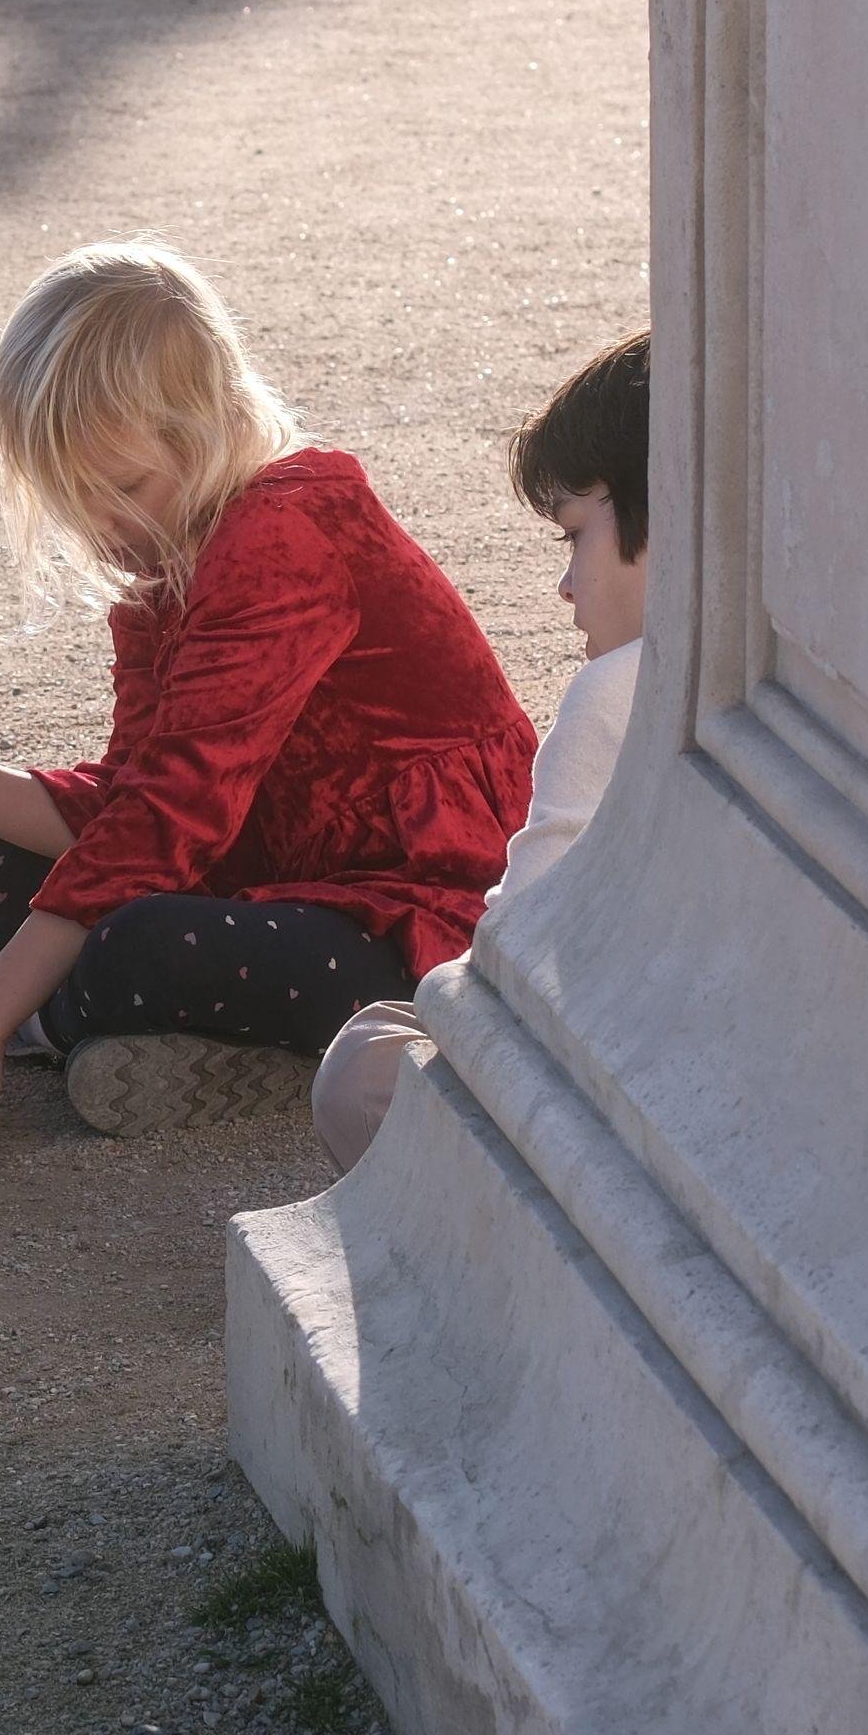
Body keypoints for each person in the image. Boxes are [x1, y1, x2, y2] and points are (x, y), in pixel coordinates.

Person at [0, 241, 536, 1167]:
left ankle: (70, 1018)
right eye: (73, 499)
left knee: (144, 941)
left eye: (124, 487)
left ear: (209, 421)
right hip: (248, 856)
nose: (105, 526)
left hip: (414, 896)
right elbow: (131, 794)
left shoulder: (282, 530)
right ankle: (80, 1018)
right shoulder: (168, 545)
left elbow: (158, 826)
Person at [313, 331, 650, 1169]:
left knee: (364, 1063)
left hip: (626, 1065)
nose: (566, 584)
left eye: (575, 534)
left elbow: (510, 951)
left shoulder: (619, 691)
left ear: (669, 509)